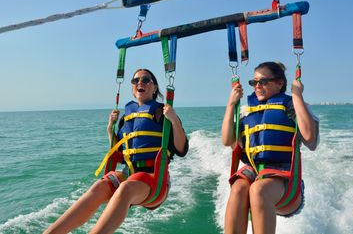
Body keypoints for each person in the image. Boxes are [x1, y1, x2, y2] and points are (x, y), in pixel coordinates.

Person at [44, 68, 188, 234]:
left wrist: (175, 120)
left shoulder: (163, 113)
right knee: (99, 186)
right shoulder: (126, 117)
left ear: (154, 87)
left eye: (146, 80)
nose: (140, 83)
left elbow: (181, 149)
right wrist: (110, 130)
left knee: (126, 187)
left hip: (154, 179)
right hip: (128, 173)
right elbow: (119, 153)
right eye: (135, 81)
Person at [221, 61, 319, 234]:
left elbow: (310, 139)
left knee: (258, 189)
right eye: (254, 82)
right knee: (237, 188)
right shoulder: (248, 110)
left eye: (263, 82)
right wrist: (230, 105)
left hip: (286, 182)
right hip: (255, 170)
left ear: (280, 83)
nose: (257, 86)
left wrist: (297, 96)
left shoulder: (291, 106)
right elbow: (227, 140)